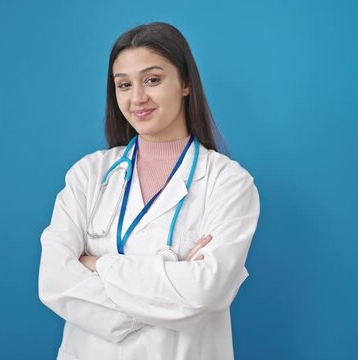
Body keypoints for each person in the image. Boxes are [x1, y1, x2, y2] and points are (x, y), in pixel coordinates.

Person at [38, 21, 260, 360]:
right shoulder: (88, 175)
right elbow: (54, 282)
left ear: (186, 83)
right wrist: (171, 275)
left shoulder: (228, 182)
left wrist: (98, 264)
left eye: (152, 80)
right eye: (124, 85)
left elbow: (204, 293)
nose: (137, 97)